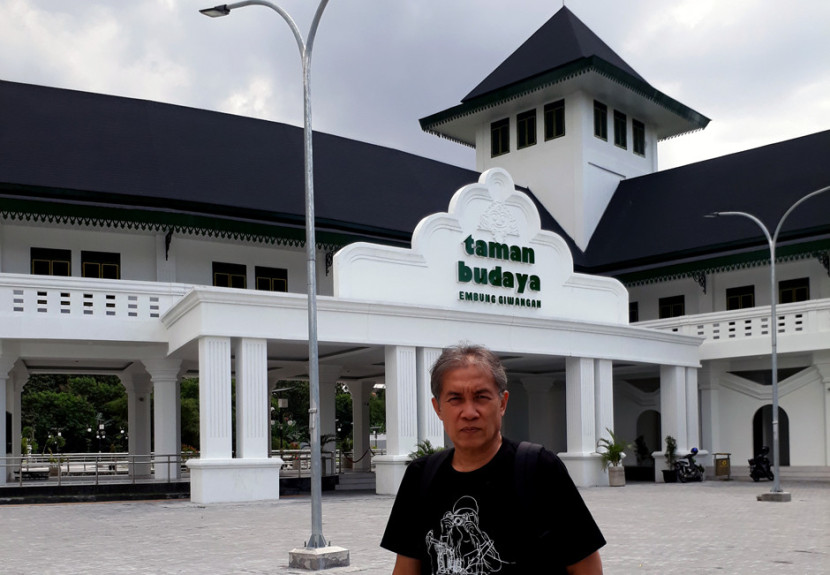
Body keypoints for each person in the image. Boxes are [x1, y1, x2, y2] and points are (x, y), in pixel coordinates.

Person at [381, 343, 605, 574]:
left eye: (481, 397)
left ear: (502, 403)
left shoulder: (540, 468)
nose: (469, 413)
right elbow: (406, 568)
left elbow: (587, 567)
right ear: (438, 408)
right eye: (455, 399)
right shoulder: (421, 476)